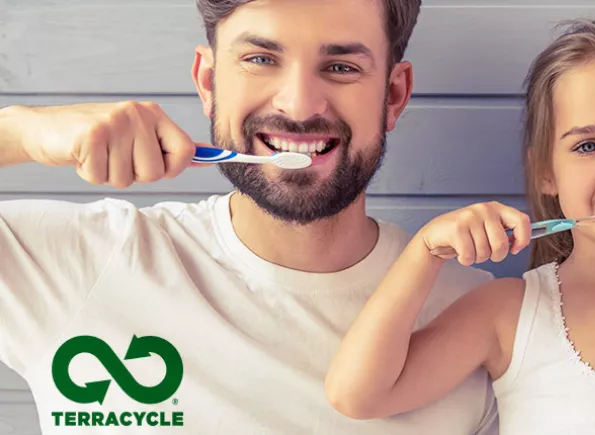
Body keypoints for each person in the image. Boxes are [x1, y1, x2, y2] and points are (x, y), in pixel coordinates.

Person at [0, 0, 499, 433]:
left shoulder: (482, 324)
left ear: (394, 95)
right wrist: (24, 133)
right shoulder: (79, 264)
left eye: (341, 67)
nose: (299, 106)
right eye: (261, 59)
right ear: (208, 81)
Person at [324, 16, 595, 434]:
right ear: (544, 173)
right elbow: (356, 395)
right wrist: (424, 253)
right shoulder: (508, 312)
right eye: (588, 145)